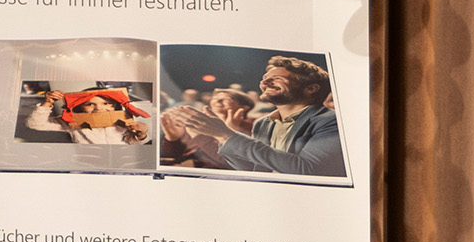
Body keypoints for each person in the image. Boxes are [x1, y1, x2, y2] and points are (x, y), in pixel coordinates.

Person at [162, 56, 343, 177]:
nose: (264, 82)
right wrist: (220, 136)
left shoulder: (330, 121)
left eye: (277, 78)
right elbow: (255, 170)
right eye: (265, 78)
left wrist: (227, 135)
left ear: (310, 88)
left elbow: (306, 170)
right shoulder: (264, 123)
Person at [26, 91, 150, 145]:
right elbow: (35, 124)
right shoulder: (72, 121)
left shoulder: (124, 119)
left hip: (120, 163)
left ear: (115, 106)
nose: (99, 108)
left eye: (106, 104)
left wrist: (141, 136)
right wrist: (48, 103)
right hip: (88, 163)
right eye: (90, 104)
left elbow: (131, 143)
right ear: (80, 107)